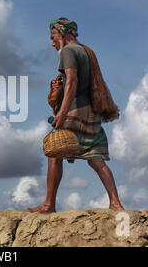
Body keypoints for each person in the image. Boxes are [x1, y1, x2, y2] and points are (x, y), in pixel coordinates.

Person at [27, 17, 124, 213]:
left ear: (62, 34)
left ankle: (48, 204)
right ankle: (115, 203)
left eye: (53, 37)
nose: (53, 43)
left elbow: (72, 81)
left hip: (76, 111)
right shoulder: (87, 52)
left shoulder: (69, 51)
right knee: (96, 159)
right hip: (91, 112)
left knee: (54, 155)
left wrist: (62, 113)